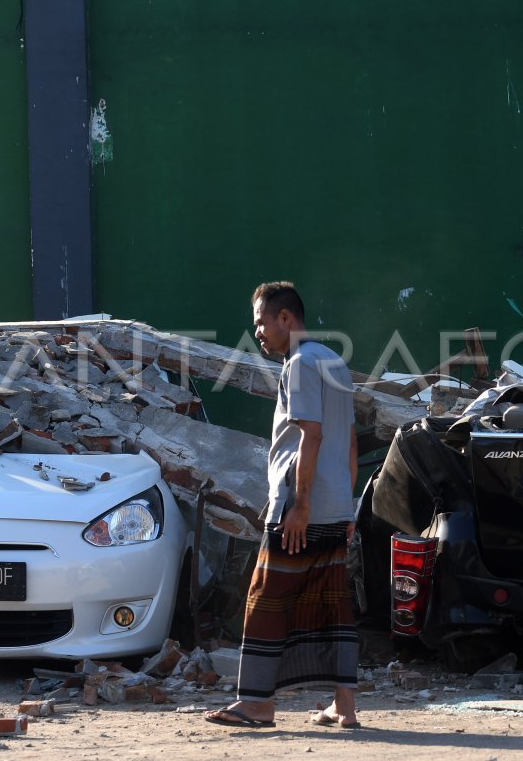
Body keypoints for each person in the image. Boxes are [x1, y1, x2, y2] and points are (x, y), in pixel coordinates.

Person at [204, 281, 361, 730]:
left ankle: (256, 703)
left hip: (301, 506)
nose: (258, 332)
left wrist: (300, 506)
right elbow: (348, 441)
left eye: (260, 322)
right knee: (331, 602)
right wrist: (344, 507)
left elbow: (310, 435)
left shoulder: (299, 365)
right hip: (333, 506)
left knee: (265, 599)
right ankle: (344, 706)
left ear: (285, 319)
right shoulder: (334, 362)